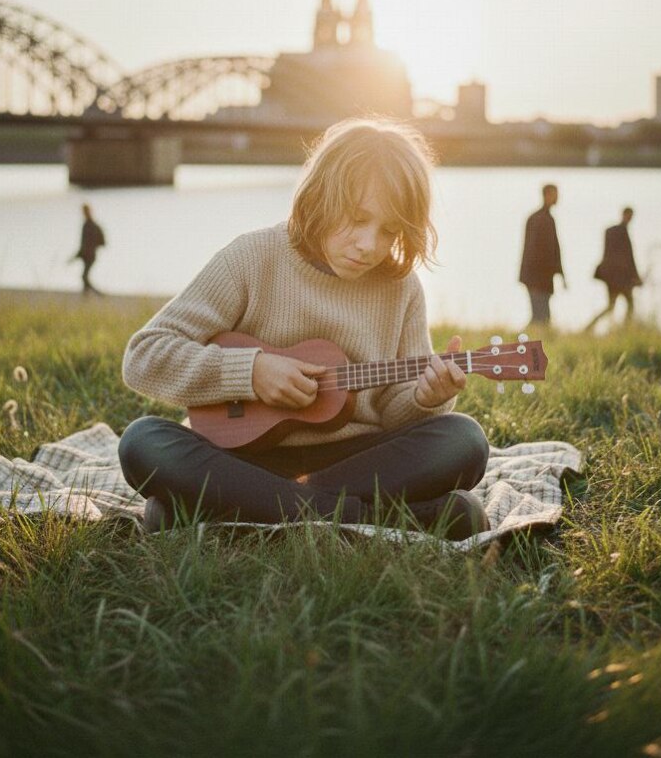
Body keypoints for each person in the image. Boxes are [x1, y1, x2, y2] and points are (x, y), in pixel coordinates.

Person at [118, 117, 490, 540]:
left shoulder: (401, 288)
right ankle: (357, 516)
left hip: (358, 463)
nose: (369, 244)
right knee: (142, 440)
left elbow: (392, 412)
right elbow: (144, 356)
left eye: (389, 231)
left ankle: (251, 511)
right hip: (241, 461)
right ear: (320, 197)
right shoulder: (252, 259)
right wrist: (251, 372)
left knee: (464, 440)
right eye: (357, 219)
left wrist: (425, 398)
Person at [585, 207, 642, 331]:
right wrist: (634, 276)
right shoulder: (618, 232)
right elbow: (628, 258)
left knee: (612, 306)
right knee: (628, 304)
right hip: (618, 278)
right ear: (624, 215)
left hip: (613, 277)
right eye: (629, 215)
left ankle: (590, 328)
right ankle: (624, 330)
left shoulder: (612, 231)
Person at [518, 183, 565, 328]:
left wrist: (561, 274)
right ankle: (520, 343)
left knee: (542, 317)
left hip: (542, 277)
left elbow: (555, 250)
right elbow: (532, 250)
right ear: (547, 195)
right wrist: (536, 279)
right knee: (540, 317)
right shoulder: (538, 219)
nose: (558, 197)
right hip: (536, 277)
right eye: (555, 194)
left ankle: (523, 343)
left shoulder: (547, 218)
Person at [71, 203, 106, 294]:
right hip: (85, 254)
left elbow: (103, 242)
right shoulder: (86, 225)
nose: (84, 213)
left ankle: (98, 293)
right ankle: (86, 295)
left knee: (84, 276)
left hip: (90, 255)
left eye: (85, 211)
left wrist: (92, 247)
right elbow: (84, 243)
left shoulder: (93, 226)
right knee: (84, 276)